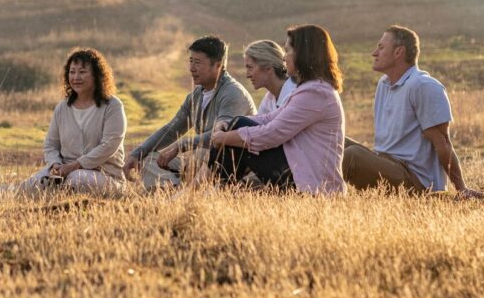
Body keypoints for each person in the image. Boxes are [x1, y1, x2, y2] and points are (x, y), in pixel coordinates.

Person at [343, 26, 482, 198]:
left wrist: (462, 189)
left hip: (415, 181)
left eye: (381, 47)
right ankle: (302, 194)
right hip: (387, 163)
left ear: (398, 52)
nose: (374, 53)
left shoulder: (423, 86)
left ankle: (316, 197)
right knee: (333, 141)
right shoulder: (384, 84)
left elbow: (443, 142)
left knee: (351, 157)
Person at [209, 25, 346, 195]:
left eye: (288, 51)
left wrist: (226, 137)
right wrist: (228, 125)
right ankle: (217, 190)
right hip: (300, 175)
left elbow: (272, 134)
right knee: (239, 124)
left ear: (302, 54)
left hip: (313, 187)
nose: (284, 58)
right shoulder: (310, 89)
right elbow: (269, 118)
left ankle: (213, 190)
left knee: (240, 128)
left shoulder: (315, 93)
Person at [122, 36, 255, 188]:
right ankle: (175, 189)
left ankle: (183, 191)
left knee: (198, 155)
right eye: (191, 61)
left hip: (229, 163)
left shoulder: (233, 93)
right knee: (148, 159)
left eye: (197, 62)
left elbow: (220, 136)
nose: (192, 68)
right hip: (199, 161)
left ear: (218, 65)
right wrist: (137, 153)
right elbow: (171, 130)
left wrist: (181, 145)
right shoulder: (195, 96)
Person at [21, 48, 127, 192]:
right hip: (63, 173)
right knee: (33, 184)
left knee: (76, 179)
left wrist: (74, 166)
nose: (76, 77)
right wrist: (55, 165)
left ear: (97, 75)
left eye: (82, 72)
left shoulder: (112, 106)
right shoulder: (62, 108)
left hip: (105, 176)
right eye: (72, 72)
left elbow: (109, 145)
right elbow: (50, 145)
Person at [243, 39, 297, 115]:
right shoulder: (270, 98)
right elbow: (257, 122)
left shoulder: (293, 95)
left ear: (268, 68)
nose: (247, 75)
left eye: (250, 67)